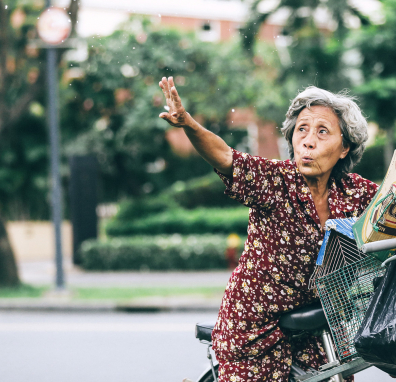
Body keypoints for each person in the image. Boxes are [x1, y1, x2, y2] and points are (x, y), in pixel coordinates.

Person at [158, 77, 378, 382]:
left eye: (322, 131)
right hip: (254, 327)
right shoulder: (275, 181)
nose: (308, 140)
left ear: (345, 148)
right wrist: (188, 123)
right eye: (302, 129)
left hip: (315, 327)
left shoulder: (354, 192)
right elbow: (224, 157)